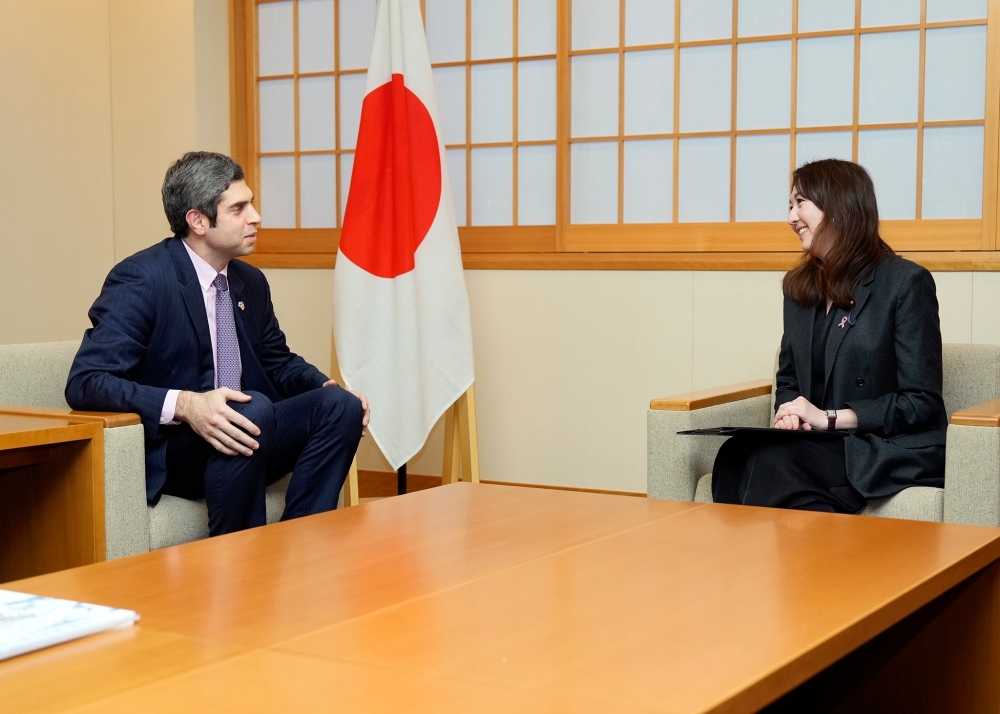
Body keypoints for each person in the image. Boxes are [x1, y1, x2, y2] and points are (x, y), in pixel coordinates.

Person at [66, 151, 370, 535]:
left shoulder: (250, 282)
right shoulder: (142, 278)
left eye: (252, 204)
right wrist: (188, 404)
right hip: (180, 448)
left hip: (248, 431)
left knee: (339, 406)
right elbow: (86, 380)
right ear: (198, 220)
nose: (255, 217)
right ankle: (239, 563)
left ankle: (301, 548)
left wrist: (323, 385)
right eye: (239, 208)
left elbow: (277, 360)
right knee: (252, 407)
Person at [711, 159, 946, 513]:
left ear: (838, 208)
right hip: (820, 443)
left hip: (880, 445)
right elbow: (788, 377)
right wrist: (789, 413)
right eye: (790, 205)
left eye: (800, 202)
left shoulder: (904, 283)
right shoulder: (799, 289)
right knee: (736, 453)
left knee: (775, 464)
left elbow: (921, 403)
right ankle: (813, 561)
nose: (791, 217)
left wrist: (830, 417)